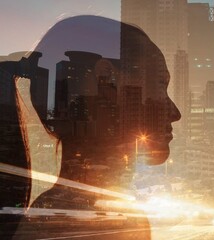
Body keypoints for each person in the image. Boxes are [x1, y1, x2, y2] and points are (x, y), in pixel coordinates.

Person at [0, 15, 180, 239]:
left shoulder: (63, 216)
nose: (175, 113)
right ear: (106, 78)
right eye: (161, 85)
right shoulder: (99, 223)